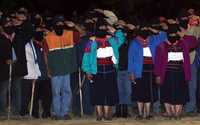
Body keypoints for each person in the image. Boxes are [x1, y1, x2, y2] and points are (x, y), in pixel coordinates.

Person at [82, 19, 125, 121]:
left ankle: (107, 114)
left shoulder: (112, 40)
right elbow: (86, 56)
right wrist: (87, 71)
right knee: (97, 92)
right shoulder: (91, 42)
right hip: (96, 70)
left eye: (104, 28)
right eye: (100, 28)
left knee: (109, 91)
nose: (102, 29)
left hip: (110, 69)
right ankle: (99, 114)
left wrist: (114, 30)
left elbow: (121, 39)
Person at [154, 24, 197, 119]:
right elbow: (158, 62)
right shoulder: (162, 45)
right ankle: (170, 113)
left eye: (175, 34)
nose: (172, 36)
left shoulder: (184, 43)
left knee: (179, 94)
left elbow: (194, 42)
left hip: (180, 74)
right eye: (171, 34)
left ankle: (177, 114)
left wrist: (184, 35)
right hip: (166, 74)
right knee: (167, 93)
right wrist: (157, 75)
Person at [128, 24, 167, 120]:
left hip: (151, 70)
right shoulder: (134, 43)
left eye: (146, 29)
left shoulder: (153, 40)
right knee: (139, 93)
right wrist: (131, 72)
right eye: (143, 29)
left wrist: (155, 30)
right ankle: (140, 114)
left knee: (149, 93)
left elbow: (164, 36)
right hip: (138, 70)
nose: (145, 31)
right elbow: (131, 59)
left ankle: (148, 113)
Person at [45, 16, 79, 120]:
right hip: (55, 70)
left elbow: (79, 35)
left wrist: (74, 26)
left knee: (67, 91)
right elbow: (45, 55)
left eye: (61, 23)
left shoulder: (69, 34)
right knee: (55, 92)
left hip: (66, 69)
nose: (59, 25)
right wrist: (48, 69)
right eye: (57, 24)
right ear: (53, 26)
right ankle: (55, 113)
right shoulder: (48, 37)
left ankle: (65, 113)